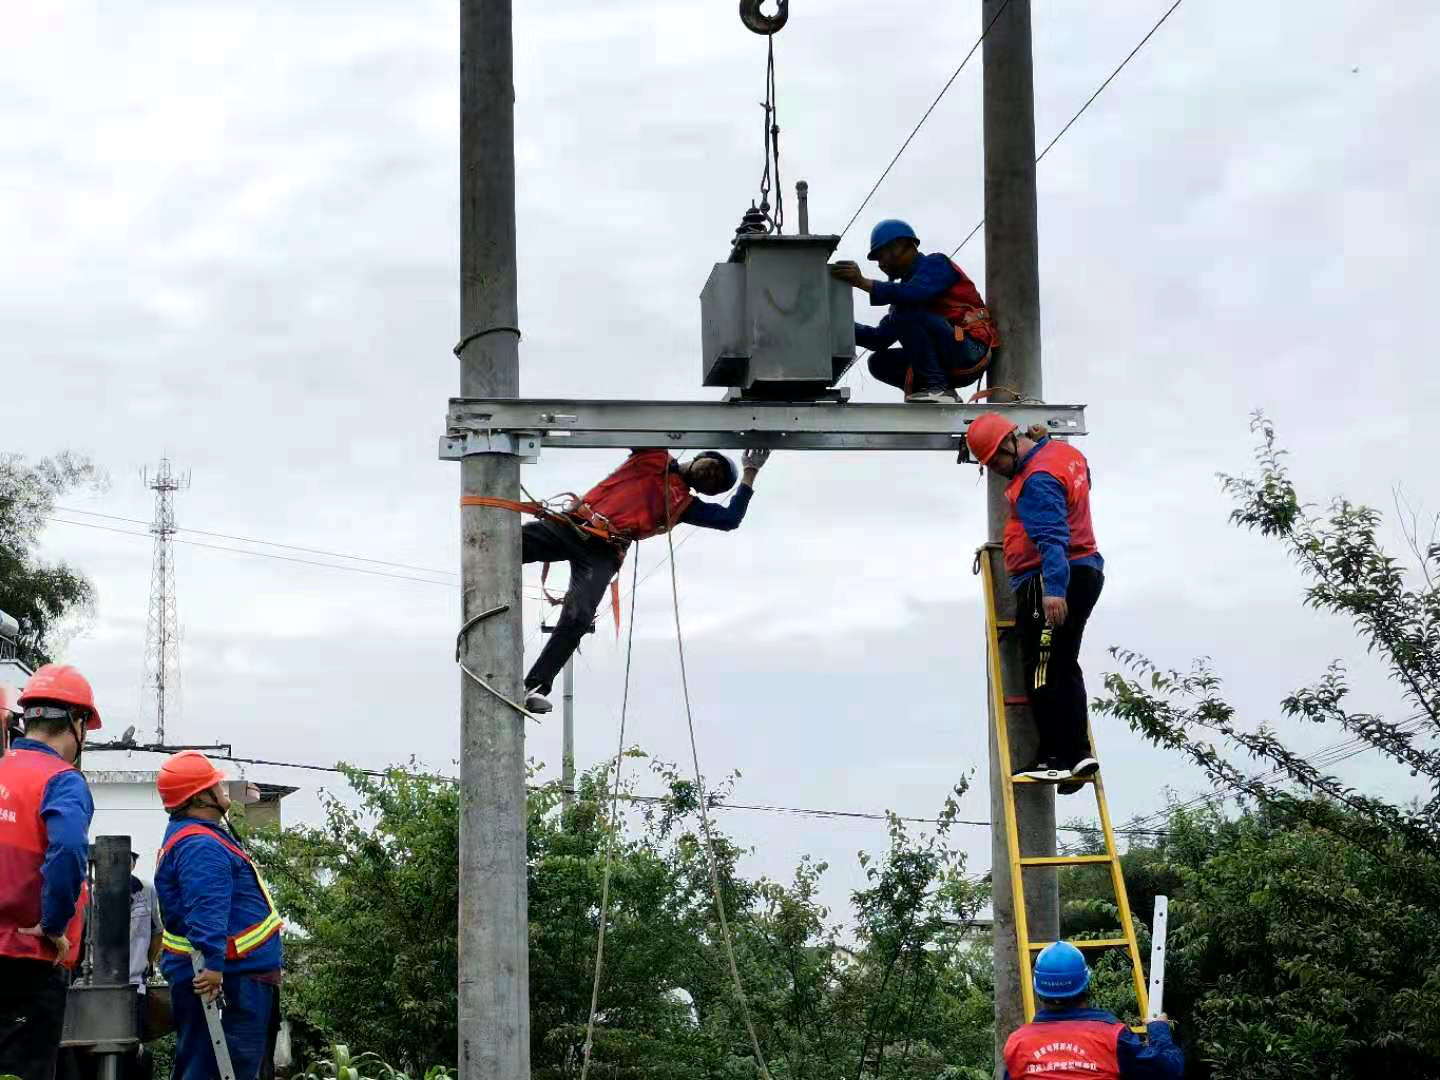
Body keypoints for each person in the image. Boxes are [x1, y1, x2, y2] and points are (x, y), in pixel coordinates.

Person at [520, 447, 771, 713]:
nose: (712, 474)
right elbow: (624, 424)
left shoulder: (683, 505)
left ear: (705, 492)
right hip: (574, 525)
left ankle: (535, 686)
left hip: (603, 551)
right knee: (506, 543)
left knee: (579, 616)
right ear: (702, 455)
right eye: (715, 467)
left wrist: (750, 472)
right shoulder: (653, 454)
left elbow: (730, 519)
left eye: (715, 482)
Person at [966, 414, 1103, 792]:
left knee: (1041, 668)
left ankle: (1055, 758)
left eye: (997, 460)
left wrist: (1054, 589)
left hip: (1052, 577)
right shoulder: (1063, 454)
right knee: (1062, 662)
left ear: (1013, 441)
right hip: (1085, 570)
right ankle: (1078, 754)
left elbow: (1052, 539)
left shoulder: (1037, 481)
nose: (996, 470)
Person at [154, 752, 282, 1080]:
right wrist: (213, 966)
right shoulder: (200, 845)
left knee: (204, 1065)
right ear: (200, 797)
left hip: (231, 975)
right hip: (227, 980)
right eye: (216, 783)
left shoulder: (197, 835)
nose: (222, 787)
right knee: (221, 1068)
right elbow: (207, 907)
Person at [0, 664, 101, 1080]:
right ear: (76, 723)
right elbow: (69, 849)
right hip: (28, 960)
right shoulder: (62, 781)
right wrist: (53, 923)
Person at [830, 219, 998, 403]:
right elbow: (878, 338)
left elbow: (916, 293)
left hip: (970, 350)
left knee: (905, 315)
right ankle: (929, 390)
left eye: (881, 256)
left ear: (901, 246)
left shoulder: (936, 264)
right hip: (948, 358)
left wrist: (863, 283)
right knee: (878, 362)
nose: (880, 265)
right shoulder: (902, 299)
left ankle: (939, 388)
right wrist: (835, 326)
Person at [1002, 941, 1183, 1079]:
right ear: (1085, 985)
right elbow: (1170, 1070)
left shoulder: (1017, 1043)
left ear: (1038, 990)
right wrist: (1159, 1030)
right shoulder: (1111, 1037)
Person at [125, 849, 162, 1080]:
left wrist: (147, 963)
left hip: (134, 983)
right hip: (96, 983)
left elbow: (157, 931)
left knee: (132, 1048)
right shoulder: (92, 891)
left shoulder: (146, 891)